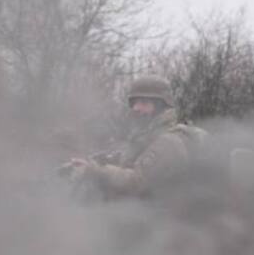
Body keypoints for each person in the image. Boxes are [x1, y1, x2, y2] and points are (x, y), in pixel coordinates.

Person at [60, 75, 200, 200]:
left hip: (159, 222)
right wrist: (98, 161)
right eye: (135, 103)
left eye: (144, 103)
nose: (136, 108)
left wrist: (94, 170)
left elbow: (137, 182)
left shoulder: (169, 142)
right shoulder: (146, 136)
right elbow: (131, 159)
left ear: (161, 106)